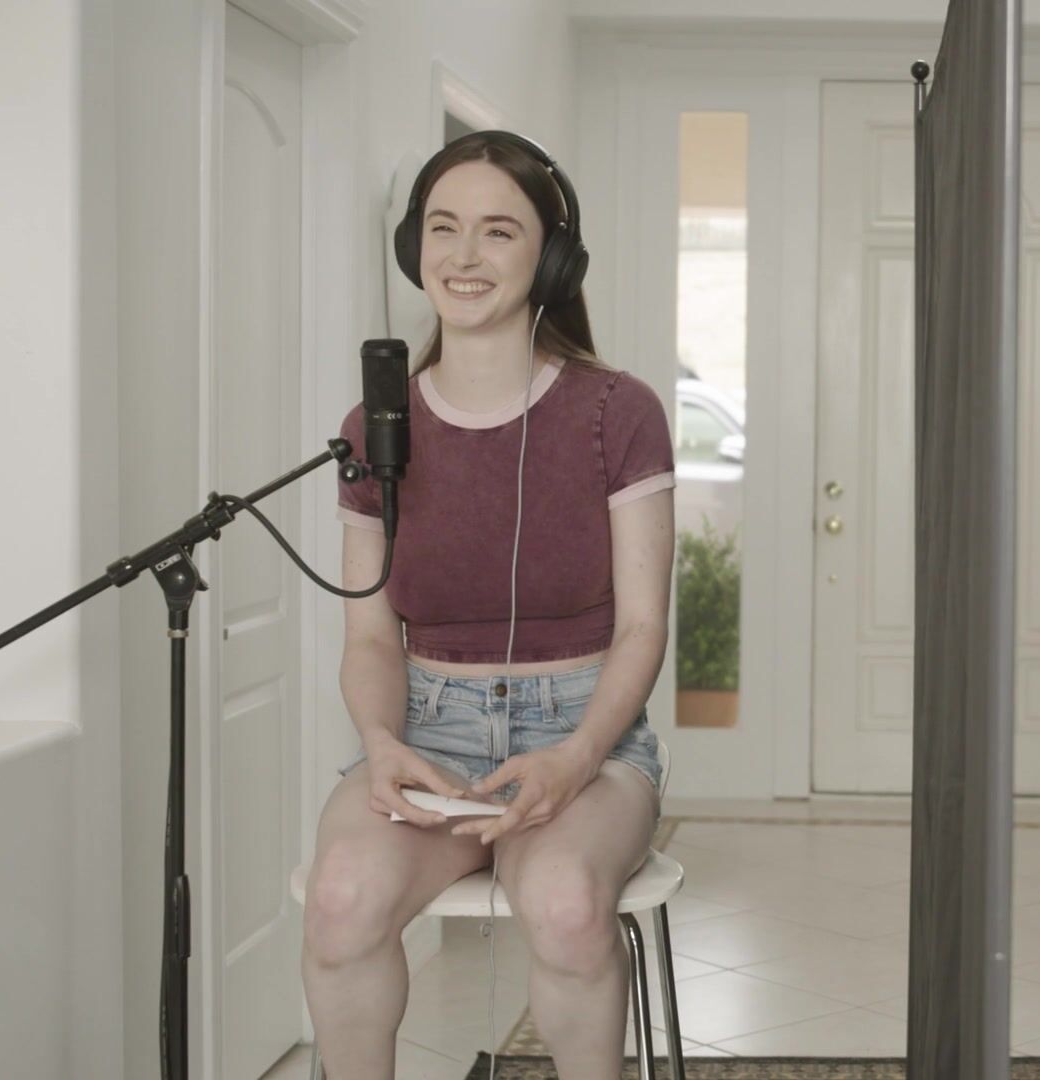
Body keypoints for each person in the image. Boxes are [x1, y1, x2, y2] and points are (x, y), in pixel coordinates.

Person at [301, 130, 675, 1079]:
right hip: (430, 732)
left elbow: (643, 627)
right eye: (443, 227)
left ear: (551, 259)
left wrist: (575, 758)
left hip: (583, 733)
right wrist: (382, 744)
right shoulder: (374, 431)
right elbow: (370, 637)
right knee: (340, 900)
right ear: (413, 246)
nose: (464, 255)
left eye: (499, 231)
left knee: (566, 907)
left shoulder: (617, 412)